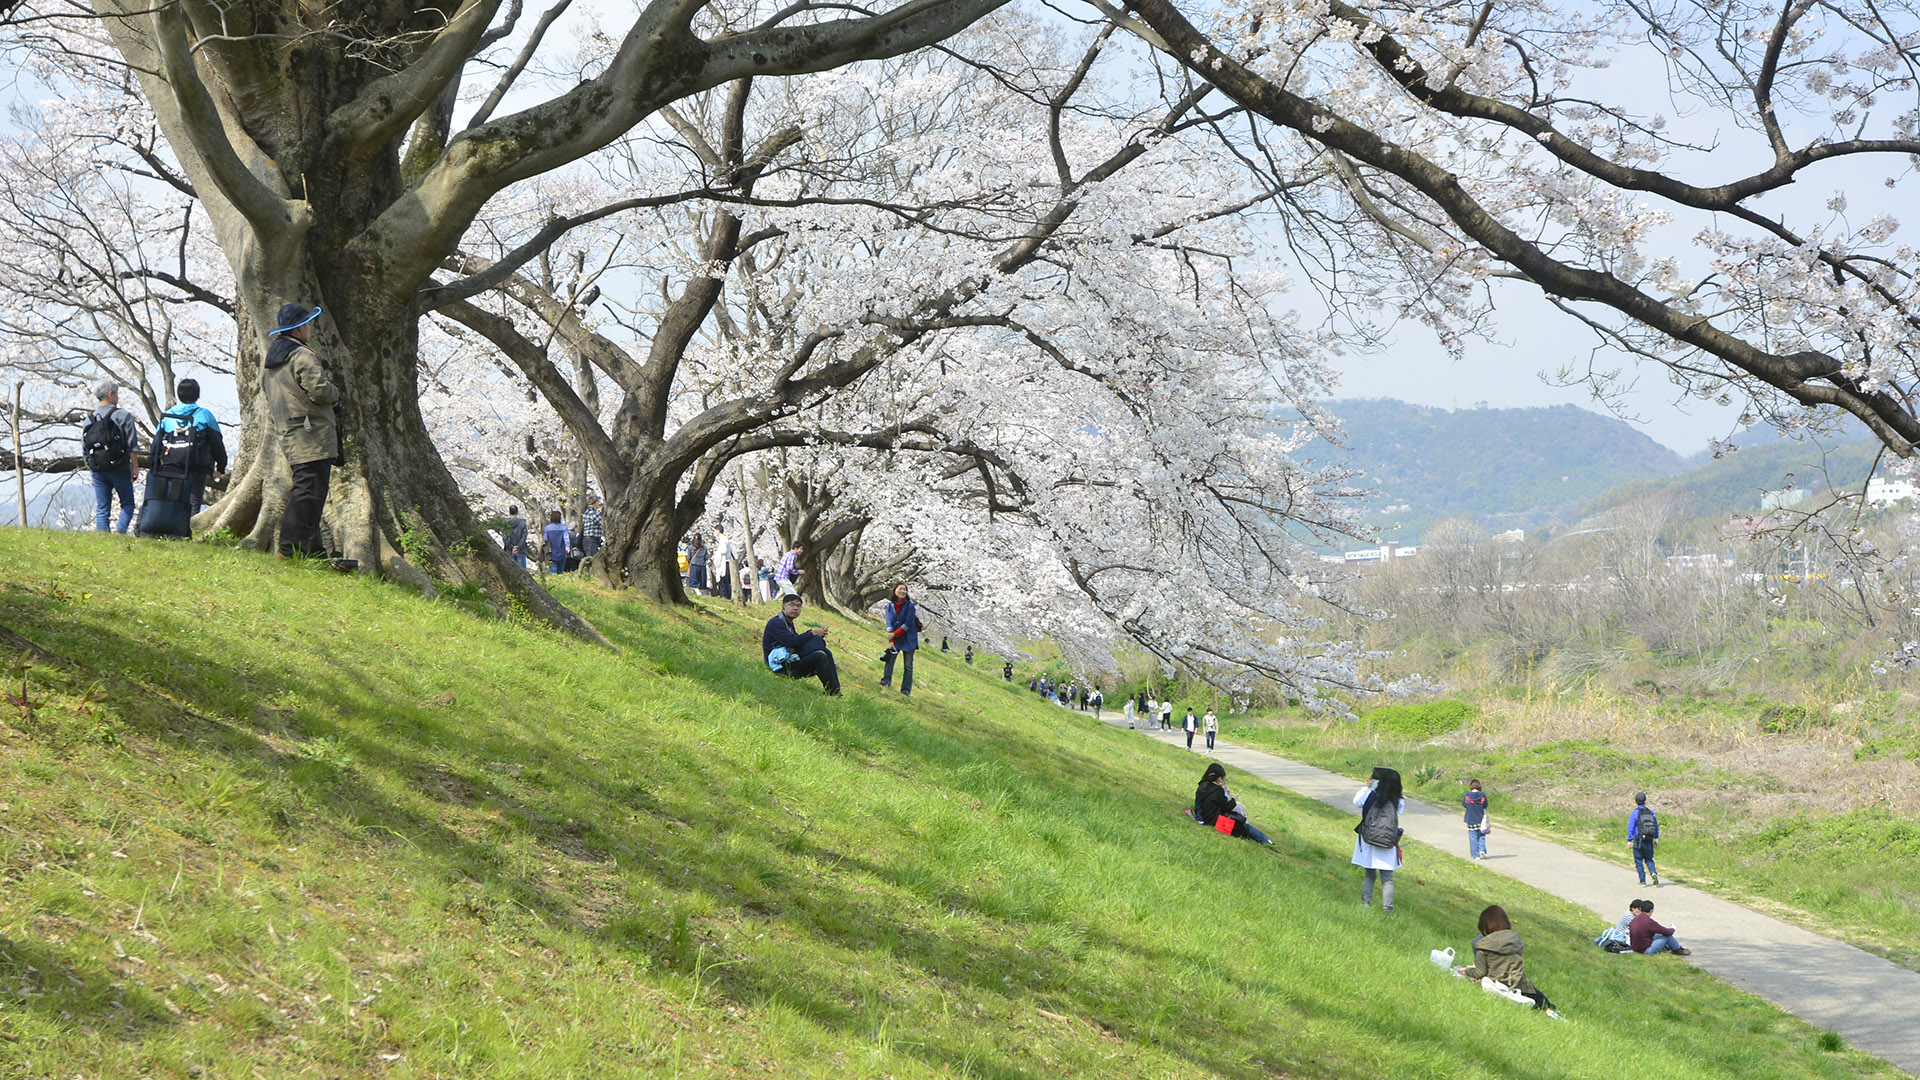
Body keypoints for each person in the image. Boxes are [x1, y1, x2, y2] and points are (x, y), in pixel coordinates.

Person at [262, 304, 341, 558]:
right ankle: (288, 550)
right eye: (307, 324)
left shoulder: (273, 360)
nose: (310, 328)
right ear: (298, 328)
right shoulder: (302, 355)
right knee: (308, 492)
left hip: (291, 432)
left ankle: (313, 551)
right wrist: (335, 393)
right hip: (312, 434)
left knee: (309, 491)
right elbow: (319, 391)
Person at [1459, 905, 1556, 1012]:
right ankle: (1548, 1008)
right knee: (1538, 997)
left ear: (1484, 928)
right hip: (1520, 983)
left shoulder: (1482, 945)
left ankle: (1514, 998)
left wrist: (1467, 971)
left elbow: (1479, 973)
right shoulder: (1515, 941)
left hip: (1497, 983)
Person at [153, 378, 228, 515]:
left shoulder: (168, 416)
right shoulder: (205, 415)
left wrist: (155, 463)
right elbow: (216, 441)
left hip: (172, 464)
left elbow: (156, 443)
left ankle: (172, 529)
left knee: (174, 498)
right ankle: (188, 529)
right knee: (194, 500)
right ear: (197, 394)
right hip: (198, 465)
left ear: (179, 394)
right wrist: (221, 465)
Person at [82, 381, 141, 533]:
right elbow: (132, 445)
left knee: (102, 507)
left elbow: (84, 447)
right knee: (127, 504)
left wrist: (91, 468)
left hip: (98, 469)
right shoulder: (123, 416)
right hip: (119, 467)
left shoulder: (89, 420)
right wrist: (134, 466)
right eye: (116, 393)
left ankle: (103, 538)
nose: (117, 397)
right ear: (110, 394)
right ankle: (119, 534)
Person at [762, 587, 840, 695]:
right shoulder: (776, 623)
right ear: (783, 606)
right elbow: (792, 642)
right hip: (781, 667)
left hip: (790, 660)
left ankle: (835, 690)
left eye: (798, 606)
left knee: (826, 652)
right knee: (820, 655)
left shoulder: (788, 622)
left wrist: (814, 635)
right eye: (792, 605)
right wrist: (812, 633)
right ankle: (833, 691)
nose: (795, 608)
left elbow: (797, 641)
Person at [1352, 766, 1405, 910]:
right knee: (1387, 879)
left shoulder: (1370, 795)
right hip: (1387, 842)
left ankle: (1365, 904)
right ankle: (1387, 909)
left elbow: (1356, 802)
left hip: (1368, 840)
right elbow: (1398, 813)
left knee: (1369, 875)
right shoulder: (1398, 802)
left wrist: (1367, 786)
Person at [1194, 762, 1273, 845]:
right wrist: (1233, 799)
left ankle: (1264, 840)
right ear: (1220, 779)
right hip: (1216, 822)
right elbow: (1227, 806)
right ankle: (1266, 841)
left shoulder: (1204, 786)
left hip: (1208, 818)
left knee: (1240, 823)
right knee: (1243, 826)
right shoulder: (1217, 791)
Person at [879, 582, 921, 696]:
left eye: (905, 590)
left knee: (908, 665)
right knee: (890, 659)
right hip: (896, 637)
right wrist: (891, 640)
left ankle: (905, 690)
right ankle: (886, 681)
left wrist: (894, 635)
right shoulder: (889, 606)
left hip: (909, 638)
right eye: (900, 589)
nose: (902, 591)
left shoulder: (910, 606)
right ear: (895, 590)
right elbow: (889, 623)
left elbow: (907, 623)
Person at [1629, 791, 1661, 886]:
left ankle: (1642, 881)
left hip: (1639, 839)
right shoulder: (1651, 812)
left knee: (1638, 860)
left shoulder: (1635, 813)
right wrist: (1656, 839)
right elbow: (1656, 826)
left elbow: (1631, 827)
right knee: (1649, 859)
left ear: (1636, 801)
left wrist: (1629, 840)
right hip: (1649, 839)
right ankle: (1653, 872)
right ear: (1645, 801)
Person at [1463, 779, 1490, 860]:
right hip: (1481, 819)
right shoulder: (1482, 795)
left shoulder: (1467, 795)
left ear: (1471, 786)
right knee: (1482, 835)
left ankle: (1476, 855)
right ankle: (1482, 849)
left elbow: (1464, 803)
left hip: (1470, 818)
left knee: (1473, 837)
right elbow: (1485, 805)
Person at [543, 510, 571, 575]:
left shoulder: (548, 528)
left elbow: (545, 539)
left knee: (553, 570)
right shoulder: (564, 527)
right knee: (560, 571)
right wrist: (567, 546)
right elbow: (566, 538)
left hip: (551, 552)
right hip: (562, 551)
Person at [712, 526, 734, 600]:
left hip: (724, 562)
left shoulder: (723, 540)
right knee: (723, 579)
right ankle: (724, 594)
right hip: (724, 561)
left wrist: (717, 554)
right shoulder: (723, 539)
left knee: (724, 579)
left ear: (718, 531)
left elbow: (723, 551)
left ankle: (724, 595)